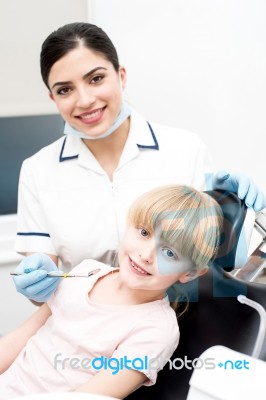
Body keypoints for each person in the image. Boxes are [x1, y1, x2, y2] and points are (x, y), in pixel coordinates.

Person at [13, 22, 265, 303]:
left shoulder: (185, 149)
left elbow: (214, 261)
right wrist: (38, 281)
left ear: (121, 76)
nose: (84, 100)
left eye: (96, 79)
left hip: (177, 324)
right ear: (52, 97)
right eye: (64, 90)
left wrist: (231, 211)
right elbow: (39, 295)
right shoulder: (38, 171)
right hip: (84, 326)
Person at [0, 184, 222, 399]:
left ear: (190, 273)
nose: (146, 254)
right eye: (144, 232)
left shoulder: (155, 330)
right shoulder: (87, 271)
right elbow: (19, 339)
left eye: (169, 253)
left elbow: (87, 398)